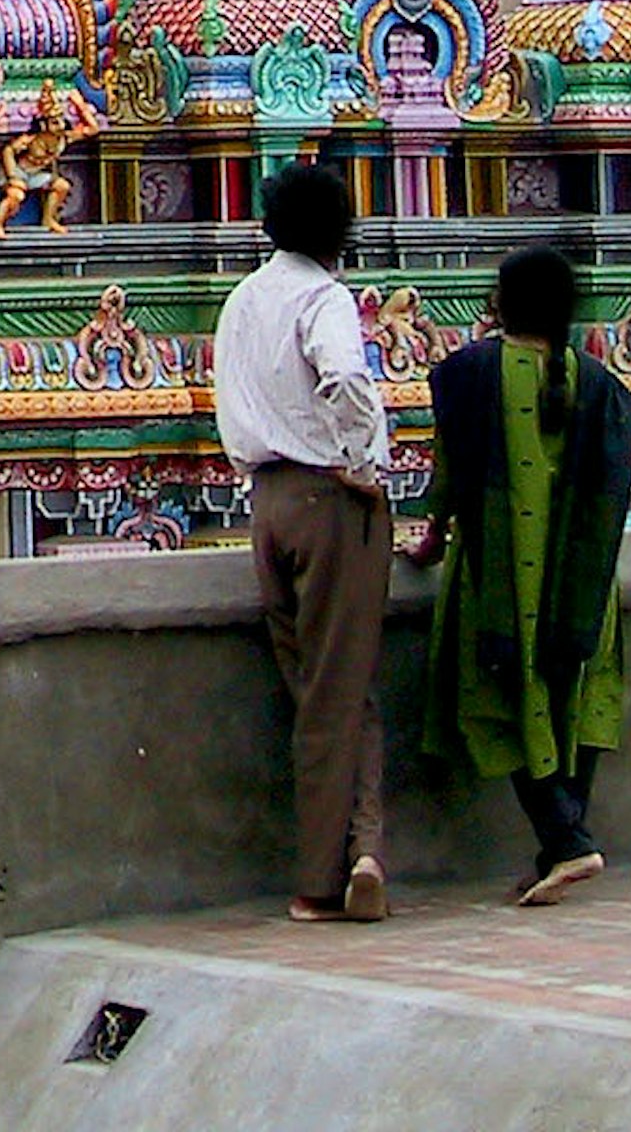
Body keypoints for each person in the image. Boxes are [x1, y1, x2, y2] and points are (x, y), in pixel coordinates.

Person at [413, 243, 631, 905]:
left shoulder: (469, 374)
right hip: (585, 584)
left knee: (496, 699)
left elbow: (448, 480)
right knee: (577, 698)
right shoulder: (598, 382)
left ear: (499, 302)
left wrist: (429, 542)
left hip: (499, 576)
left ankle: (568, 840)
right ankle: (559, 843)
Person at [212, 162, 393, 923]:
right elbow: (345, 379)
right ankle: (328, 874)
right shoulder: (325, 299)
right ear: (343, 231)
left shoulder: (243, 300)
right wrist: (363, 462)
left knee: (316, 683)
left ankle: (361, 847)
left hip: (267, 503)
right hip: (329, 498)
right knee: (338, 687)